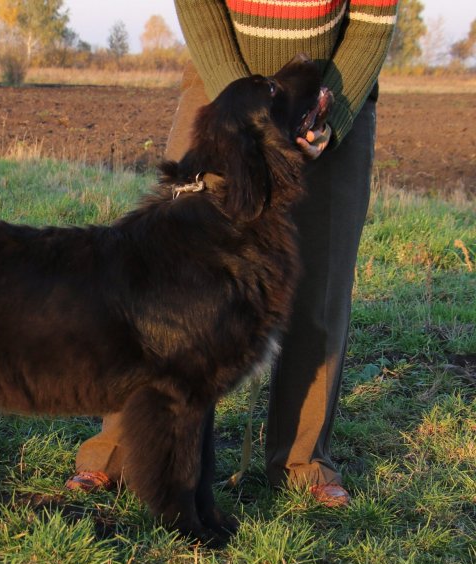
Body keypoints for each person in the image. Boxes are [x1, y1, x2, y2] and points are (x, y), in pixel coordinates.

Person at [66, 0, 399, 507]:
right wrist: (244, 113)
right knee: (166, 276)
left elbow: (373, 24)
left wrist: (325, 116)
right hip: (222, 79)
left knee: (319, 285)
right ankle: (117, 449)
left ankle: (302, 461)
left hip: (330, 88)